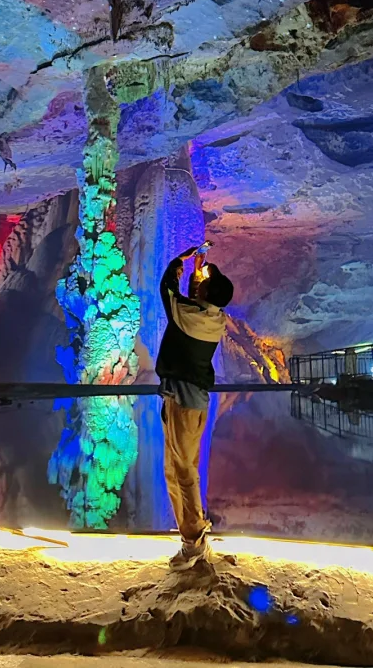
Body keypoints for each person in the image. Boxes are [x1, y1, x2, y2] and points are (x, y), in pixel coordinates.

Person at [156, 242, 234, 567]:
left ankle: (193, 542)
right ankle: (193, 535)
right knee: (180, 469)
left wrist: (181, 261)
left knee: (183, 472)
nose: (200, 283)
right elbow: (191, 304)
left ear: (206, 293)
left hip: (184, 403)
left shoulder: (190, 316)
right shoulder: (214, 319)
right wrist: (198, 271)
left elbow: (168, 292)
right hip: (190, 402)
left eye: (204, 283)